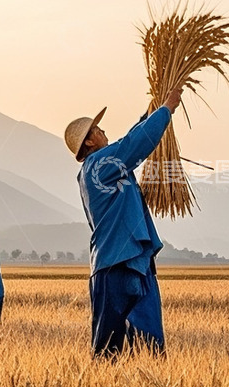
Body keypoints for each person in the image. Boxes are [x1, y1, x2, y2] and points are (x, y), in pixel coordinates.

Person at [64, 88, 183, 358]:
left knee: (149, 346)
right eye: (98, 129)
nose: (104, 131)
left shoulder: (105, 165)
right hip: (115, 265)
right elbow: (133, 144)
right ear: (90, 142)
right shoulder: (98, 165)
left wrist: (150, 112)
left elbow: (130, 141)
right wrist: (166, 109)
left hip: (134, 262)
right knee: (109, 349)